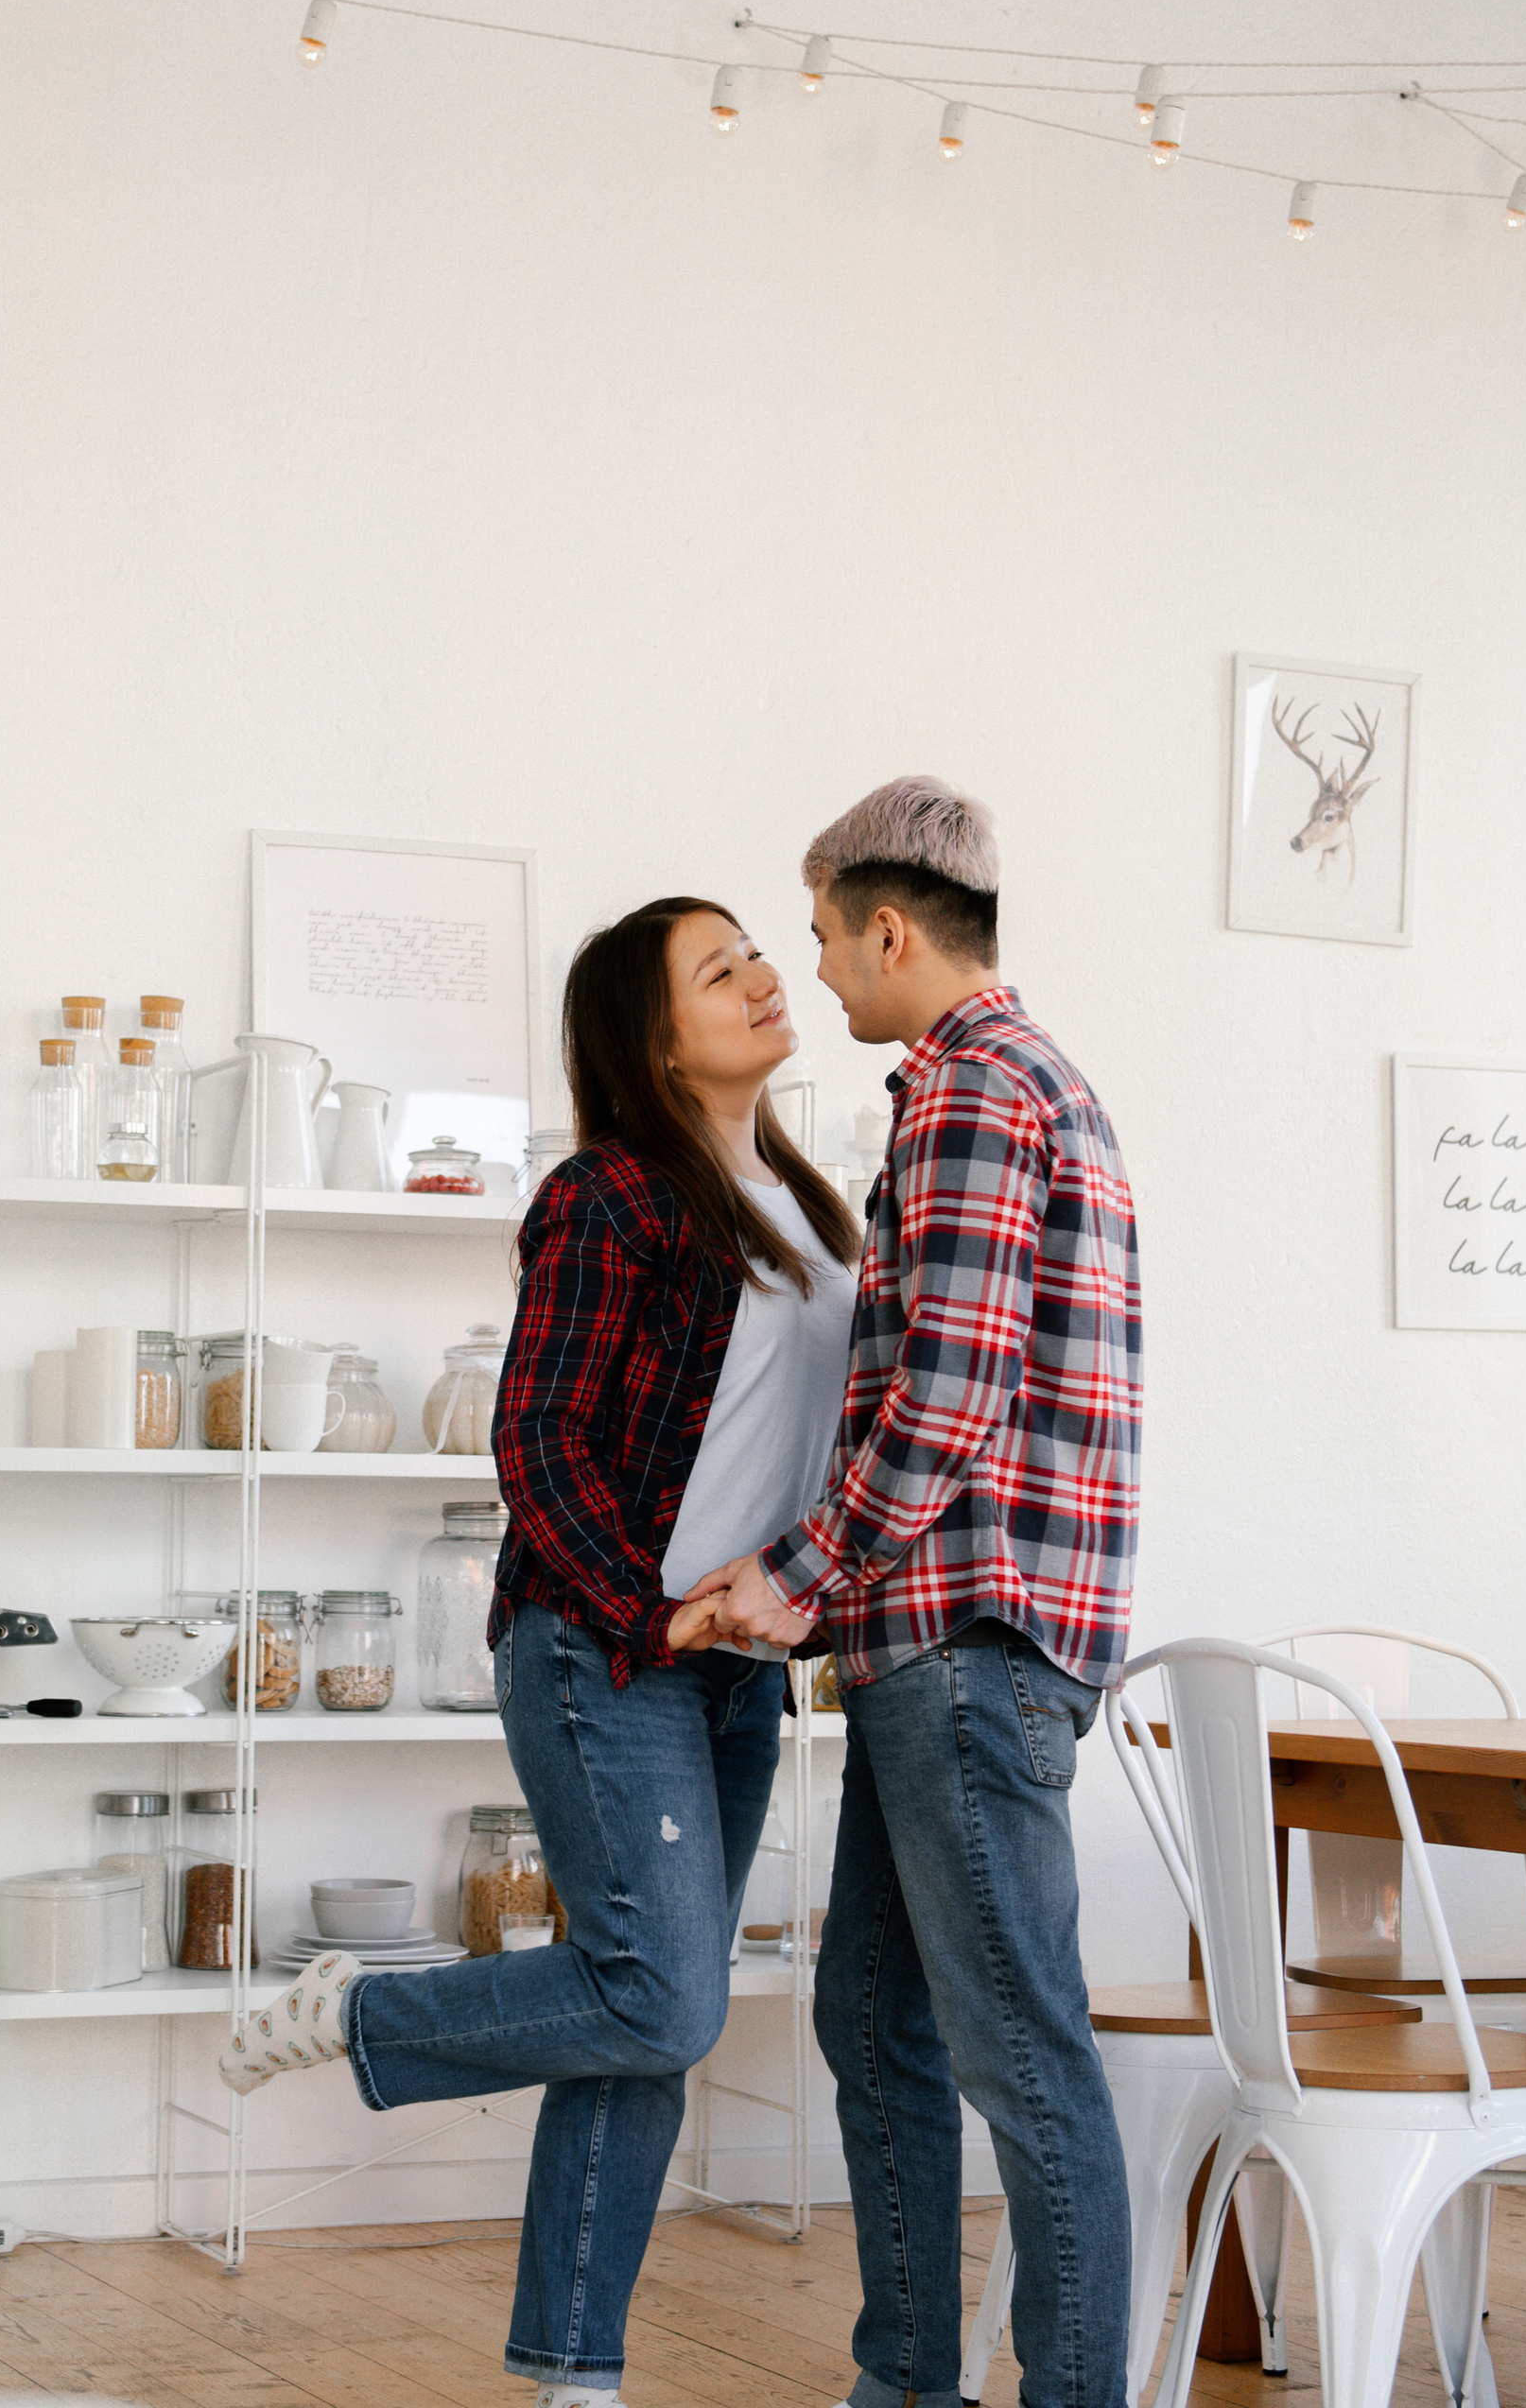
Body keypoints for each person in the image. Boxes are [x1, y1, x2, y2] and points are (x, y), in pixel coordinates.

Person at [218, 894, 859, 2408]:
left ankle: (574, 2375)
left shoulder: (811, 1202)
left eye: (760, 951)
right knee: (666, 1995)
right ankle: (362, 2010)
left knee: (636, 2013)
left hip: (735, 1666)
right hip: (602, 1646)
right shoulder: (614, 1196)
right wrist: (649, 1611)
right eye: (723, 971)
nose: (766, 976)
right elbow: (537, 1437)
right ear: (653, 1038)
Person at [687, 778, 1143, 2408]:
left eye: (818, 937)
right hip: (951, 1643)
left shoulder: (966, 1094)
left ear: (890, 928)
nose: (812, 973)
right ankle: (906, 2384)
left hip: (963, 1639)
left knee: (1019, 2054)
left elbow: (943, 1399)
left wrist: (795, 1580)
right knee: (874, 2019)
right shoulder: (1035, 1084)